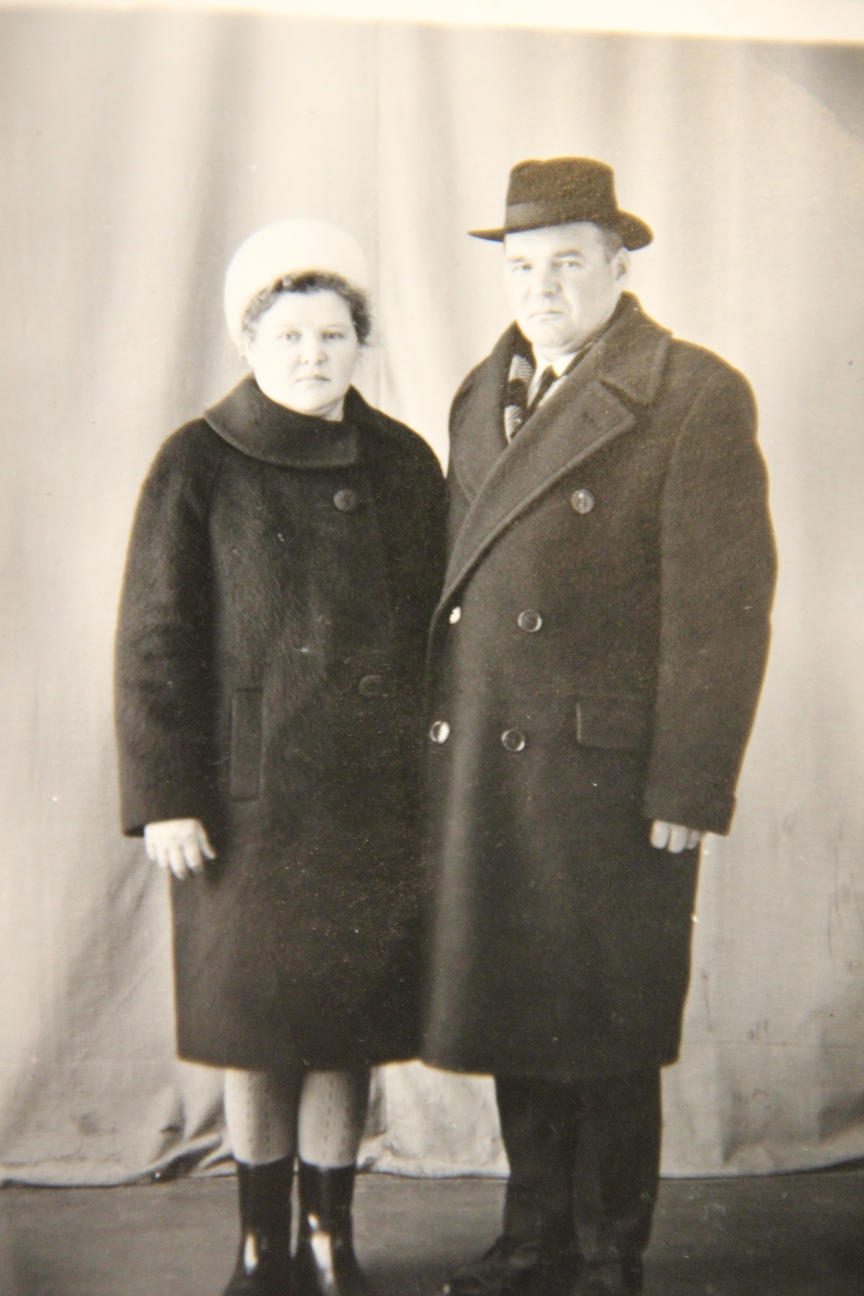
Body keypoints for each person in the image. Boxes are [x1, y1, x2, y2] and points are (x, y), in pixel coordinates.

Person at [421, 158, 777, 1296]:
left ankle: (608, 1254)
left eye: (568, 264)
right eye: (523, 266)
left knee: (606, 1022)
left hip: (610, 771)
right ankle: (533, 1241)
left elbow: (723, 612)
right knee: (516, 1005)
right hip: (494, 758)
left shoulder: (692, 392)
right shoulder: (481, 393)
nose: (542, 288)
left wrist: (691, 782)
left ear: (620, 267)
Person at [114, 217, 445, 1296]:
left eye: (334, 335)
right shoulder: (197, 461)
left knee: (346, 1026)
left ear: (361, 344)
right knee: (260, 1029)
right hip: (243, 804)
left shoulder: (403, 463)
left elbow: (441, 633)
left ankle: (329, 1242)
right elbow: (154, 640)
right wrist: (166, 796)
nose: (314, 355)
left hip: (372, 803)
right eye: (290, 335)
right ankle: (261, 1250)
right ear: (249, 342)